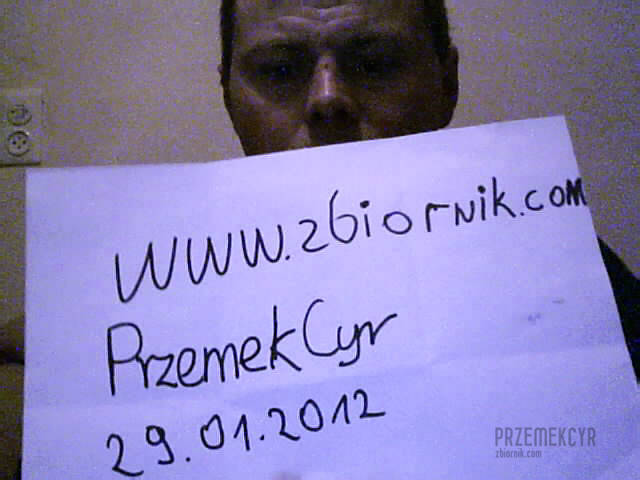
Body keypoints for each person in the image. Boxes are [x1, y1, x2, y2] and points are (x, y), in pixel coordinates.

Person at [0, 0, 637, 477]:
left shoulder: (579, 298)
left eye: (377, 64)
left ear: (447, 82)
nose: (328, 100)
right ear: (227, 95)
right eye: (280, 70)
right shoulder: (125, 316)